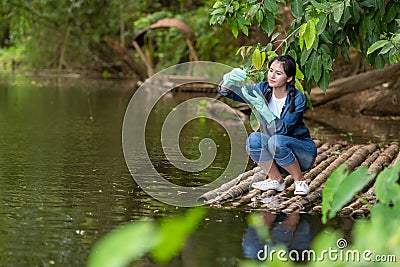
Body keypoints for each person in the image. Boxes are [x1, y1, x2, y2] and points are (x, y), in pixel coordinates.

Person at [218, 55, 317, 195]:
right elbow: (230, 92)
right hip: (278, 156)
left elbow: (283, 130)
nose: (272, 76)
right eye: (271, 71)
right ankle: (276, 180)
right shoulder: (263, 89)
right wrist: (227, 81)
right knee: (254, 140)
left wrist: (264, 110)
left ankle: (300, 181)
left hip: (302, 155)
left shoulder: (297, 98)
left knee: (276, 141)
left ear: (289, 78)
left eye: (278, 73)